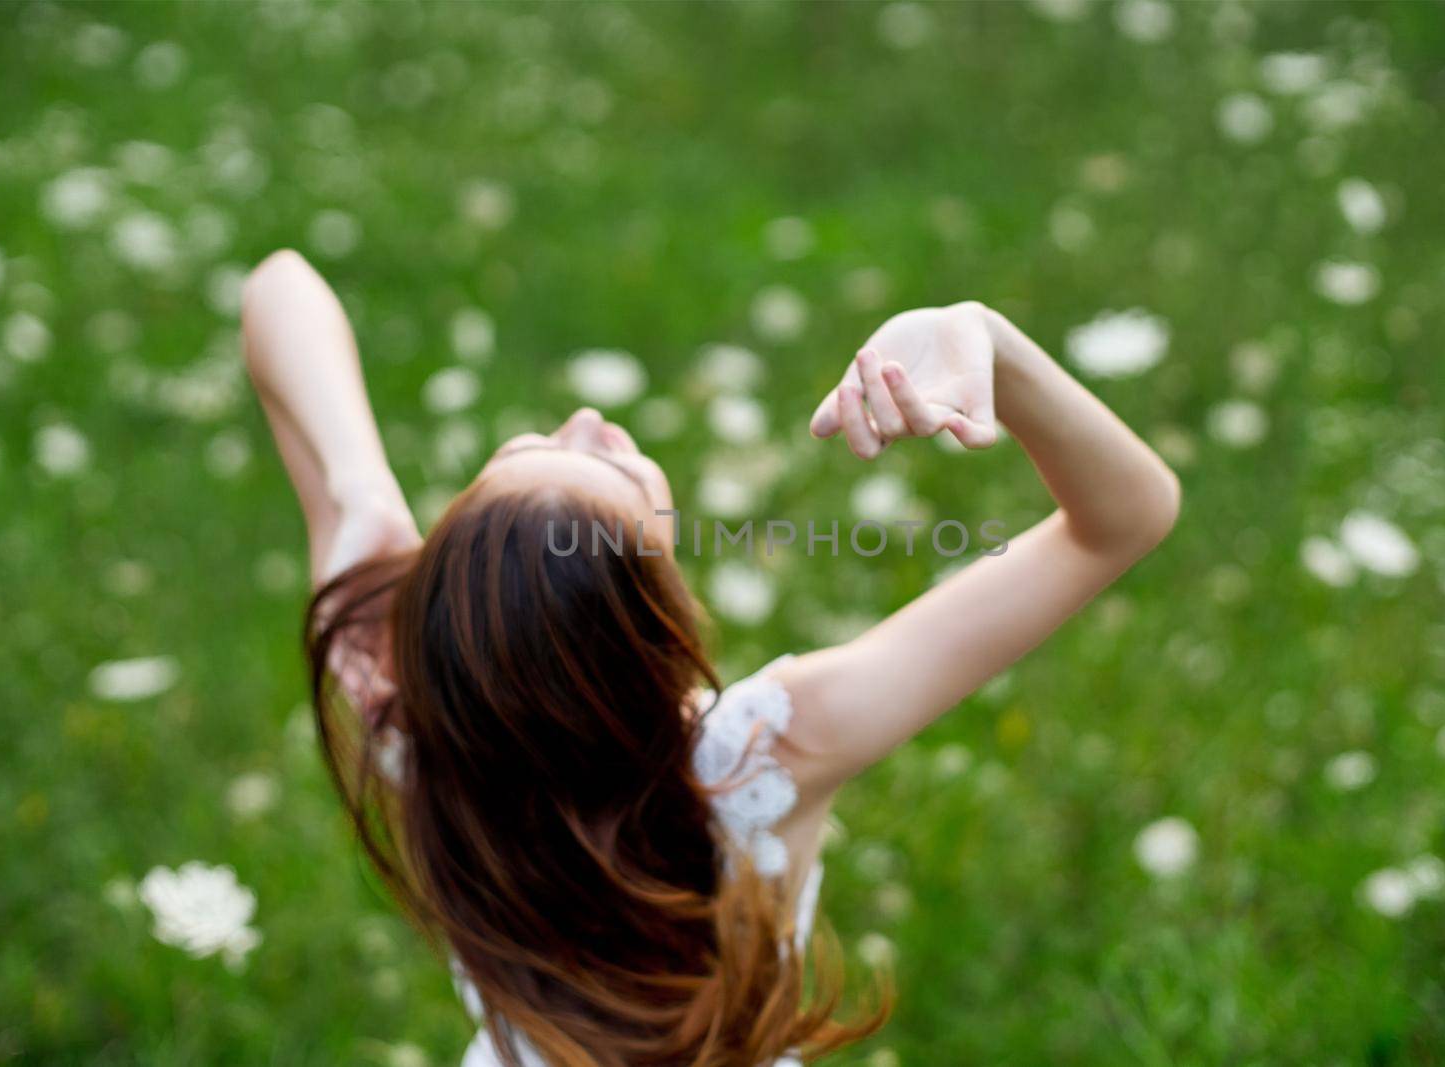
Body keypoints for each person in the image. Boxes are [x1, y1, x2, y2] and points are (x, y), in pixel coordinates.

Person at [240, 249, 1180, 1066]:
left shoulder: (416, 717)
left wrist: (356, 487)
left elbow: (279, 289)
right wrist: (988, 341)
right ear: (651, 618)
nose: (586, 417)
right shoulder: (767, 750)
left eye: (526, 451)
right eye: (600, 467)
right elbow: (1127, 517)